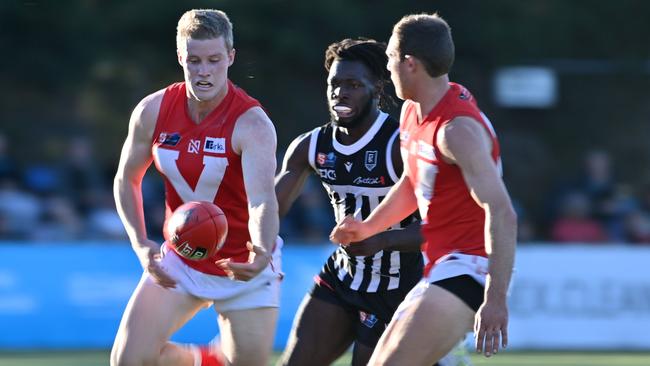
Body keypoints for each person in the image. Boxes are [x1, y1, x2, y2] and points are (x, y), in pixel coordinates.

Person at [331, 13, 517, 366]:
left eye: (389, 59)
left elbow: (503, 211)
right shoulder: (412, 112)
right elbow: (412, 183)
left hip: (470, 269)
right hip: (441, 265)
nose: (387, 69)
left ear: (410, 63)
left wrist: (496, 297)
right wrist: (368, 226)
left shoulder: (455, 130)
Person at [276, 38, 468, 366]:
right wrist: (244, 239)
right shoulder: (310, 146)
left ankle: (443, 355)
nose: (341, 93)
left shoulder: (400, 145)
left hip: (398, 287)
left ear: (378, 89)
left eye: (353, 85)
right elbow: (269, 208)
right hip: (342, 275)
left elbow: (445, 226)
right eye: (334, 84)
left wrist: (381, 239)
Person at [111, 9, 280, 366]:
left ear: (231, 58)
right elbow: (127, 178)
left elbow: (263, 200)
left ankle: (211, 361)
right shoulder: (152, 111)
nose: (204, 71)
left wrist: (262, 251)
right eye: (194, 60)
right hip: (182, 258)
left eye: (214, 60)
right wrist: (140, 243)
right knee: (128, 360)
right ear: (180, 57)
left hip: (241, 260)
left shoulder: (252, 123)